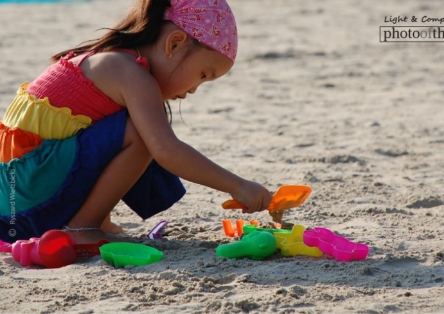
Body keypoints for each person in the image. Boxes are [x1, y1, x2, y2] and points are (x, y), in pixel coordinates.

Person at [0, 0, 272, 244]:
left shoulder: (110, 60)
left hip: (10, 203)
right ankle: (82, 228)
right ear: (174, 44)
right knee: (145, 136)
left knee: (132, 127)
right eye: (202, 75)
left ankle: (92, 221)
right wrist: (239, 186)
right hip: (27, 200)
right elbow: (167, 151)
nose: (194, 90)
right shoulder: (131, 75)